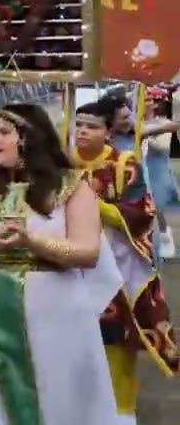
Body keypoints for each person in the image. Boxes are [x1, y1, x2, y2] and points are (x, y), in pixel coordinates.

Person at [0, 102, 120, 423]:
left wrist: (32, 241)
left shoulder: (72, 185)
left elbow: (88, 252)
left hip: (55, 309)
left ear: (30, 139)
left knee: (56, 393)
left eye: (5, 132)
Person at [70, 97, 179, 421]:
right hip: (68, 266)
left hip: (114, 269)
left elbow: (143, 212)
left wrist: (97, 206)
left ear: (107, 131)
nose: (83, 131)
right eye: (78, 125)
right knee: (71, 342)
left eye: (91, 126)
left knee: (116, 342)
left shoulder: (123, 163)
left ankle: (121, 411)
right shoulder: (61, 165)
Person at [140, 90, 178, 258]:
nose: (145, 102)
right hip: (142, 169)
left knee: (158, 206)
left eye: (149, 99)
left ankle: (165, 234)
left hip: (158, 170)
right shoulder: (134, 123)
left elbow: (164, 147)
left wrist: (150, 135)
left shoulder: (162, 123)